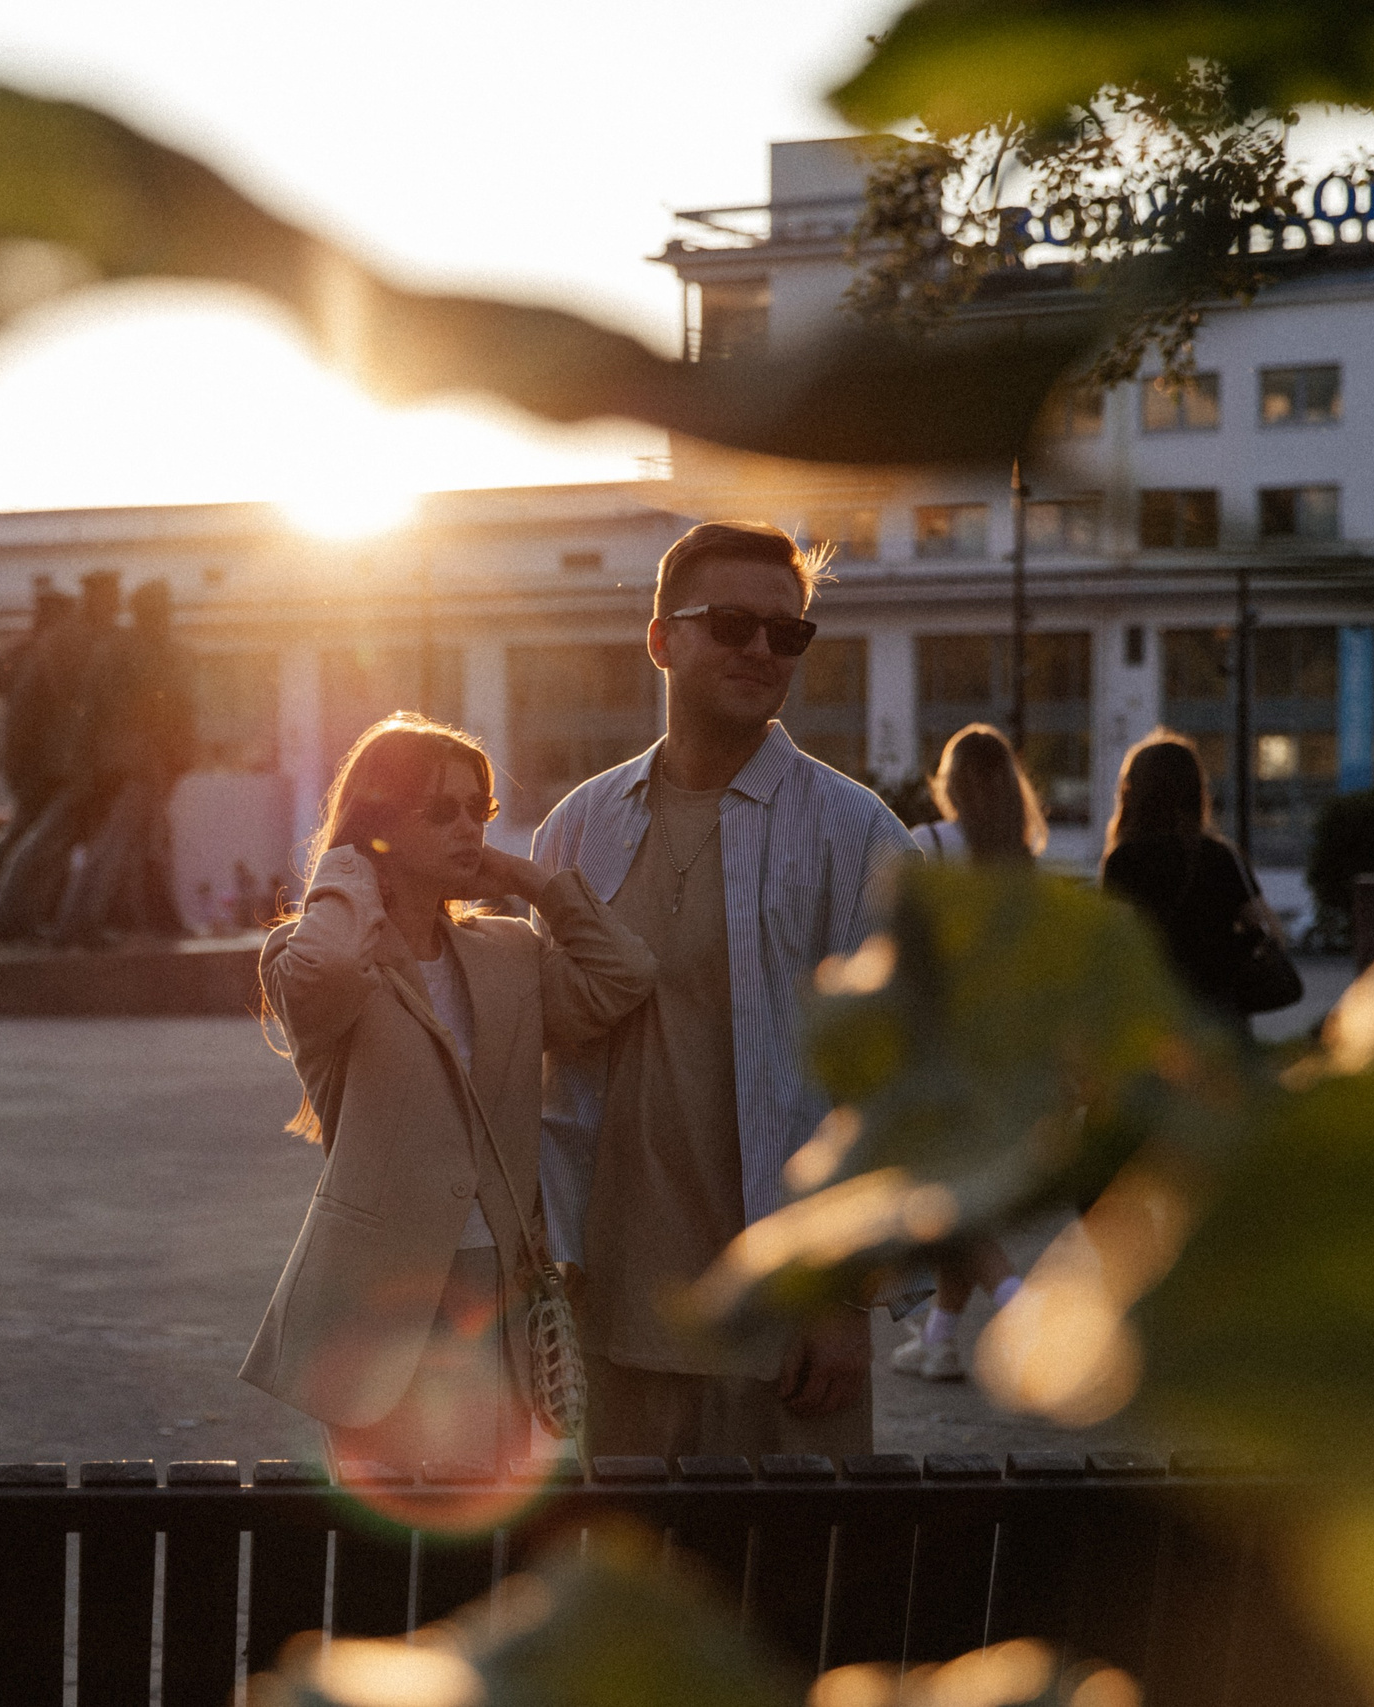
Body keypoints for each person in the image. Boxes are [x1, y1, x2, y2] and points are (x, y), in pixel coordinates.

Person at [534, 520, 917, 1459]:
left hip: (784, 1332)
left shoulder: (855, 834)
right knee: (632, 1598)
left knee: (789, 1603)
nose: (762, 650)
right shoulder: (577, 830)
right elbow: (549, 1074)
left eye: (788, 634)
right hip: (611, 1320)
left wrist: (849, 1299)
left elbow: (904, 1083)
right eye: (733, 624)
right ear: (662, 638)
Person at [245, 715, 656, 1472]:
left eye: (480, 809)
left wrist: (528, 879)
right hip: (373, 1301)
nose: (469, 827)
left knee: (481, 1541)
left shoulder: (508, 952)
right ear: (379, 825)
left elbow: (621, 977)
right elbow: (330, 969)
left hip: (494, 1293)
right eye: (441, 810)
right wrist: (348, 865)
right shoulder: (311, 956)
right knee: (388, 1556)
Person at [895, 724, 1036, 1381]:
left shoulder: (927, 846)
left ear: (949, 781)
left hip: (939, 1053)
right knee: (960, 1201)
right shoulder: (1019, 856)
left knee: (950, 1208)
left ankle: (1024, 1306)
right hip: (1006, 1052)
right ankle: (939, 1340)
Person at [1099, 730, 1267, 1026]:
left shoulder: (1124, 861)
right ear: (1196, 792)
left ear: (1133, 793)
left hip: (1151, 1012)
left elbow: (1110, 941)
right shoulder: (1220, 855)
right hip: (1219, 1010)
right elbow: (1263, 927)